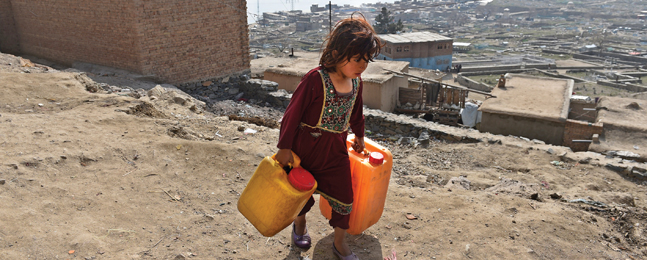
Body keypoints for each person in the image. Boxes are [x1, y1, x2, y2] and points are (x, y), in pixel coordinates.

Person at [274, 13, 381, 260]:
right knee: (301, 192)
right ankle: (299, 226)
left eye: (366, 60)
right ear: (337, 54)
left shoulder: (356, 82)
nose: (362, 65)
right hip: (305, 149)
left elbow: (357, 113)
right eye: (357, 59)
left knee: (344, 197)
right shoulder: (315, 79)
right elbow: (292, 115)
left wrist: (360, 137)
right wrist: (284, 147)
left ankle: (340, 243)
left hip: (335, 152)